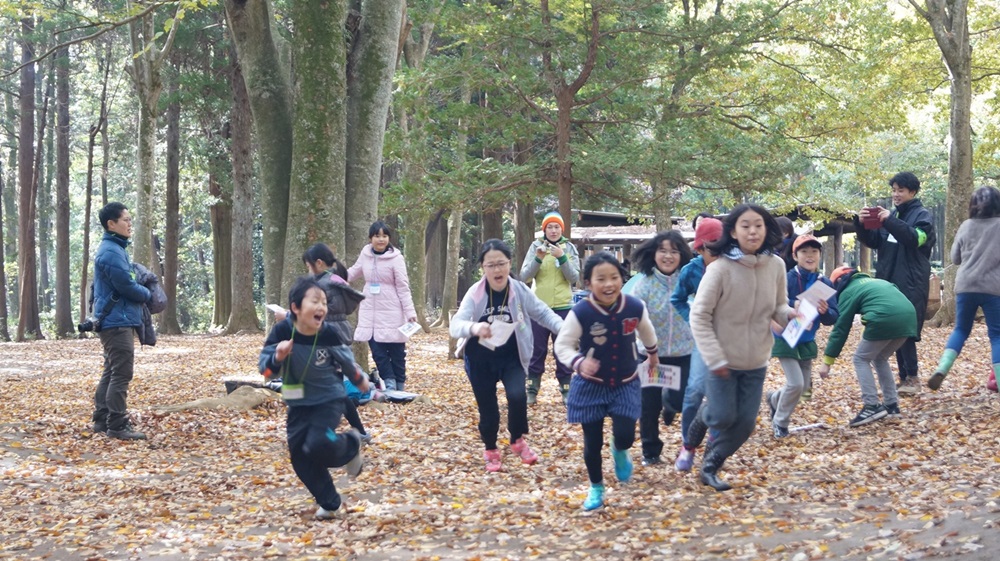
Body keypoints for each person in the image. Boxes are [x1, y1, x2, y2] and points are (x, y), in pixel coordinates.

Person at [689, 204, 795, 491]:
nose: (752, 231)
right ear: (733, 232)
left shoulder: (776, 266)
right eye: (745, 225)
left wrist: (791, 314)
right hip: (722, 360)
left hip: (757, 360)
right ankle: (703, 415)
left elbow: (778, 307)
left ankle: (710, 466)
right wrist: (713, 356)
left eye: (758, 225)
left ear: (767, 229)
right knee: (722, 416)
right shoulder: (720, 269)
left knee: (745, 424)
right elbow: (698, 315)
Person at [555, 252, 659, 511]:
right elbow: (563, 345)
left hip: (625, 381)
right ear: (588, 283)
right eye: (601, 279)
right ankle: (596, 487)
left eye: (614, 277)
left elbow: (646, 330)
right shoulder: (582, 312)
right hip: (591, 384)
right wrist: (578, 362)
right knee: (591, 442)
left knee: (625, 435)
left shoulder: (634, 306)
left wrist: (653, 354)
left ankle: (619, 449)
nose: (609, 284)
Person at [450, 239, 564, 472]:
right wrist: (474, 328)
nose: (497, 270)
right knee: (488, 407)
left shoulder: (519, 290)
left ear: (509, 263)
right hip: (480, 358)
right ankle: (491, 449)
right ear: (483, 267)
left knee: (518, 396)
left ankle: (517, 440)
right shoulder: (476, 292)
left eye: (501, 264)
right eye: (491, 265)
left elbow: (542, 312)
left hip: (511, 355)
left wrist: (565, 329)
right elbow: (456, 324)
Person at [260, 276, 368, 520]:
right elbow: (265, 372)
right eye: (315, 301)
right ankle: (330, 503)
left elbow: (346, 361)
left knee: (318, 441)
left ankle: (350, 444)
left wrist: (360, 379)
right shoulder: (281, 331)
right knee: (300, 458)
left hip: (329, 398)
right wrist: (277, 357)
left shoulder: (328, 332)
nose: (322, 307)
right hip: (297, 402)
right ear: (295, 308)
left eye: (324, 302)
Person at [854, 172, 935, 395]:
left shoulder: (922, 215)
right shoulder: (891, 216)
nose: (896, 194)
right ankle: (903, 378)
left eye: (900, 190)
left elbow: (914, 238)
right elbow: (875, 241)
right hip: (889, 282)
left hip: (911, 282)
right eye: (894, 190)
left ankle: (913, 377)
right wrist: (861, 224)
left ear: (913, 192)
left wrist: (889, 220)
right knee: (894, 326)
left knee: (906, 328)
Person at [817, 267, 917, 427]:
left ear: (838, 284)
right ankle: (892, 405)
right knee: (879, 358)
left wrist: (827, 361)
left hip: (884, 317)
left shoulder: (848, 291)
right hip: (910, 318)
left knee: (860, 359)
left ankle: (871, 405)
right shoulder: (876, 282)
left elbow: (841, 327)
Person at [629, 231, 693, 466]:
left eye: (674, 251)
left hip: (682, 351)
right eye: (663, 251)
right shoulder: (643, 285)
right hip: (650, 355)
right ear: (654, 254)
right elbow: (634, 317)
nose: (668, 256)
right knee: (649, 404)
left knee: (680, 399)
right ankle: (650, 451)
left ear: (682, 255)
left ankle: (671, 405)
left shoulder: (687, 281)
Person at [765, 235, 839, 438]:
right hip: (785, 338)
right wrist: (791, 304)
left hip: (807, 340)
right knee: (795, 384)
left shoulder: (824, 283)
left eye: (814, 251)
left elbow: (833, 316)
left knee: (803, 387)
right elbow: (772, 301)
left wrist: (826, 311)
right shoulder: (786, 278)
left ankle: (774, 399)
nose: (810, 255)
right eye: (804, 251)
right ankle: (780, 423)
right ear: (795, 256)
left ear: (820, 255)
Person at [927, 186, 1000, 391]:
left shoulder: (966, 226)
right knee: (997, 335)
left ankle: (942, 368)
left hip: (965, 285)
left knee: (960, 329)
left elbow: (955, 258)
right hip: (993, 287)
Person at [91, 202, 152, 441]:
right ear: (111, 224)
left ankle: (101, 419)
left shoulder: (115, 249)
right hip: (117, 322)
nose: (129, 224)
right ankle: (116, 424)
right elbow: (126, 285)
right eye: (125, 220)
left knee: (111, 371)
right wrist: (147, 294)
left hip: (115, 319)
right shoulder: (111, 251)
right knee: (121, 373)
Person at [301, 243, 372, 442]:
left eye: (308, 266)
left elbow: (317, 311)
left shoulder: (325, 284)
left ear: (319, 263)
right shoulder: (334, 281)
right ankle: (358, 432)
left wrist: (289, 315)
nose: (308, 271)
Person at [670, 216, 723, 472]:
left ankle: (713, 442)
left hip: (729, 338)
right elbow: (677, 299)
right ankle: (687, 443)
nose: (714, 253)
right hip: (702, 337)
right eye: (708, 248)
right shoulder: (691, 271)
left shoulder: (733, 268)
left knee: (719, 394)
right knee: (694, 391)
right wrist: (691, 319)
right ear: (699, 248)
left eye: (718, 246)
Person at [348, 221, 418, 392]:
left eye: (384, 236)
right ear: (370, 238)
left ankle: (400, 386)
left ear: (389, 238)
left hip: (392, 311)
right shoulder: (365, 255)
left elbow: (403, 286)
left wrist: (410, 312)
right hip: (370, 311)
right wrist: (332, 276)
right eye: (377, 236)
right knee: (377, 351)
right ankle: (389, 382)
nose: (381, 239)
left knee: (397, 352)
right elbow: (353, 272)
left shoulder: (397, 258)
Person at [520, 211, 581, 404]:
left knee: (562, 348)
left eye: (556, 227)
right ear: (544, 229)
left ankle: (566, 389)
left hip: (564, 306)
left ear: (561, 229)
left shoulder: (569, 248)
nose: (553, 230)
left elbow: (574, 278)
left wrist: (562, 257)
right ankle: (531, 389)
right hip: (538, 307)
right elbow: (524, 277)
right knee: (536, 349)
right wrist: (538, 259)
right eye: (549, 227)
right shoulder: (535, 247)